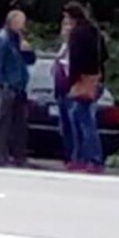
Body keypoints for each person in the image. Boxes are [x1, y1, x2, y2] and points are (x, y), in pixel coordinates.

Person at [64, 2, 108, 173]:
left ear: (72, 17)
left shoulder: (77, 33)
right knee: (79, 116)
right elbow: (104, 55)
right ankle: (82, 157)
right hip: (95, 78)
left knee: (84, 120)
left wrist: (72, 80)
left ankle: (92, 159)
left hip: (82, 79)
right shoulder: (95, 31)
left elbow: (75, 59)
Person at [0, 9, 35, 167]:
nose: (23, 25)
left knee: (20, 124)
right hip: (8, 86)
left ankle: (19, 156)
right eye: (20, 21)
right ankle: (1, 156)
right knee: (4, 123)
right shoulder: (3, 39)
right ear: (12, 22)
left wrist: (28, 50)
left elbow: (30, 61)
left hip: (20, 86)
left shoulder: (19, 39)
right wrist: (1, 84)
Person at [53, 14, 75, 167]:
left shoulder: (75, 46)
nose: (65, 29)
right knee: (64, 127)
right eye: (64, 25)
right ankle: (68, 156)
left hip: (71, 90)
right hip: (60, 91)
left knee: (73, 126)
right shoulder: (64, 46)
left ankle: (75, 157)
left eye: (69, 25)